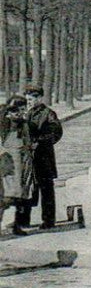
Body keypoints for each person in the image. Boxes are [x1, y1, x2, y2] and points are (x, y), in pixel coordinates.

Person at [24, 86, 63, 230]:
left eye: (31, 99)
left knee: (46, 189)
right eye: (27, 99)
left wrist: (39, 142)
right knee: (26, 188)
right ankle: (23, 219)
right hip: (28, 158)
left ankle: (48, 220)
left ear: (39, 98)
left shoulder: (48, 113)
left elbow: (56, 132)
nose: (28, 102)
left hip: (43, 158)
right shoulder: (26, 112)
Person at [0, 95, 35, 235]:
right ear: (7, 113)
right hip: (8, 165)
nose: (18, 114)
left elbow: (26, 143)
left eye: (20, 110)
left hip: (23, 164)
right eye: (14, 111)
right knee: (5, 197)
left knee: (20, 196)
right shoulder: (3, 125)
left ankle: (16, 225)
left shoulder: (24, 124)